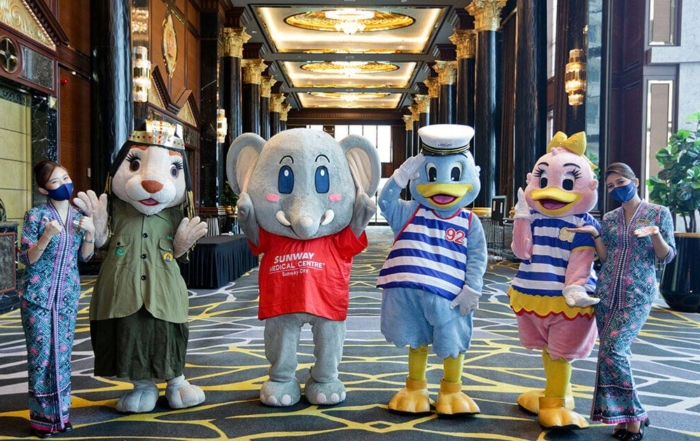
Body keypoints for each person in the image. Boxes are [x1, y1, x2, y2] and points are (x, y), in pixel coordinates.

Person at [569, 162, 676, 441]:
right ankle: (623, 418)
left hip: (637, 294)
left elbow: (667, 256)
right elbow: (605, 257)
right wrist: (595, 235)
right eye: (611, 186)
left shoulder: (658, 214)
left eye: (621, 182)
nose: (617, 188)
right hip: (606, 294)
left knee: (613, 351)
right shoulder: (611, 216)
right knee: (609, 355)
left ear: (636, 181)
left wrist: (655, 235)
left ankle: (635, 417)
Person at [18, 160, 95, 438]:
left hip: (67, 297)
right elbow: (25, 258)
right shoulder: (36, 217)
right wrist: (46, 237)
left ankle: (62, 416)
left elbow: (85, 257)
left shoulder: (78, 216)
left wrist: (91, 233)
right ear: (43, 189)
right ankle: (42, 420)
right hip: (37, 297)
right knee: (41, 358)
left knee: (62, 357)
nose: (64, 184)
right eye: (56, 181)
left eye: (66, 177)